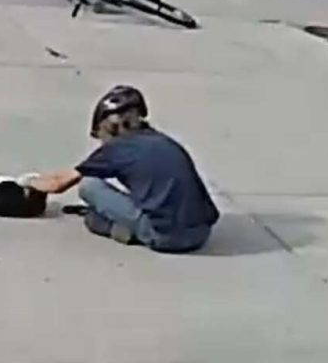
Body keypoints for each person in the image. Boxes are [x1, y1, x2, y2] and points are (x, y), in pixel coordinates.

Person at [26, 86, 220, 253]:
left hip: (166, 238)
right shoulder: (162, 141)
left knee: (90, 194)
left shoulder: (118, 148)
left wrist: (27, 182)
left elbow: (59, 184)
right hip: (202, 233)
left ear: (112, 127)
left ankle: (127, 232)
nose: (101, 143)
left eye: (100, 135)